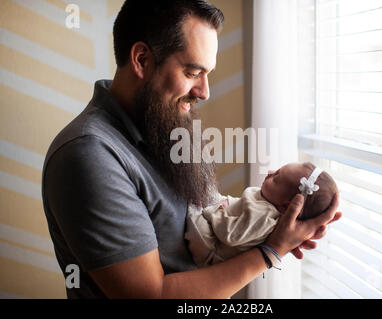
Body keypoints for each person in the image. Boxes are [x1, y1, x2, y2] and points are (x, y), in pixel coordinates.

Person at [41, 0, 342, 299]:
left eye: (207, 73)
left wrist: (274, 230)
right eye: (192, 72)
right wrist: (271, 251)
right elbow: (151, 296)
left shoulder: (165, 126)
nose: (205, 92)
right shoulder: (88, 156)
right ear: (142, 60)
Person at [186, 162, 338, 267]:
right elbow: (240, 208)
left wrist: (215, 212)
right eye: (277, 170)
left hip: (209, 249)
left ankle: (194, 208)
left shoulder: (265, 216)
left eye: (276, 178)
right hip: (220, 222)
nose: (270, 172)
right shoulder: (266, 201)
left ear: (286, 205)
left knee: (193, 214)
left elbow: (231, 235)